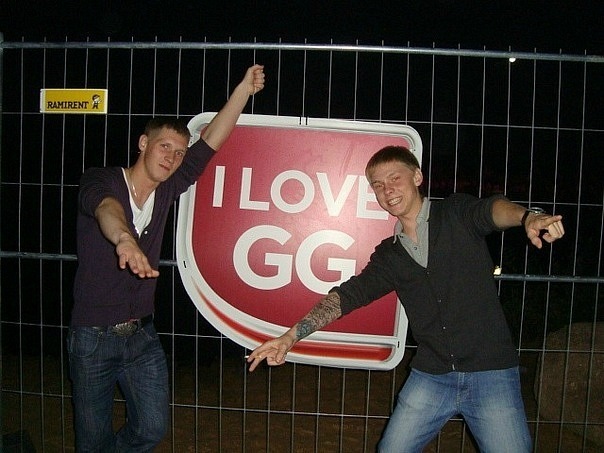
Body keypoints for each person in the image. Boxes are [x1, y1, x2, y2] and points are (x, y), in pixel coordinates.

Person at [247, 145, 565, 452]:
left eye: (395, 178)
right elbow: (347, 296)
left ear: (417, 177)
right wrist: (290, 337)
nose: (387, 190)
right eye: (378, 185)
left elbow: (493, 209)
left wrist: (527, 216)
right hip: (432, 376)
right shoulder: (390, 256)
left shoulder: (454, 213)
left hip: (491, 372)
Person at [68, 64, 265, 451]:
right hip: (92, 338)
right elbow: (106, 208)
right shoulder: (102, 179)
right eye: (164, 147)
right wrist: (124, 239)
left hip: (142, 335)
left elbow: (212, 141)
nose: (173, 158)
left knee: (151, 428)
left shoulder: (170, 186)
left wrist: (243, 90)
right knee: (91, 441)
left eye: (179, 153)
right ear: (144, 143)